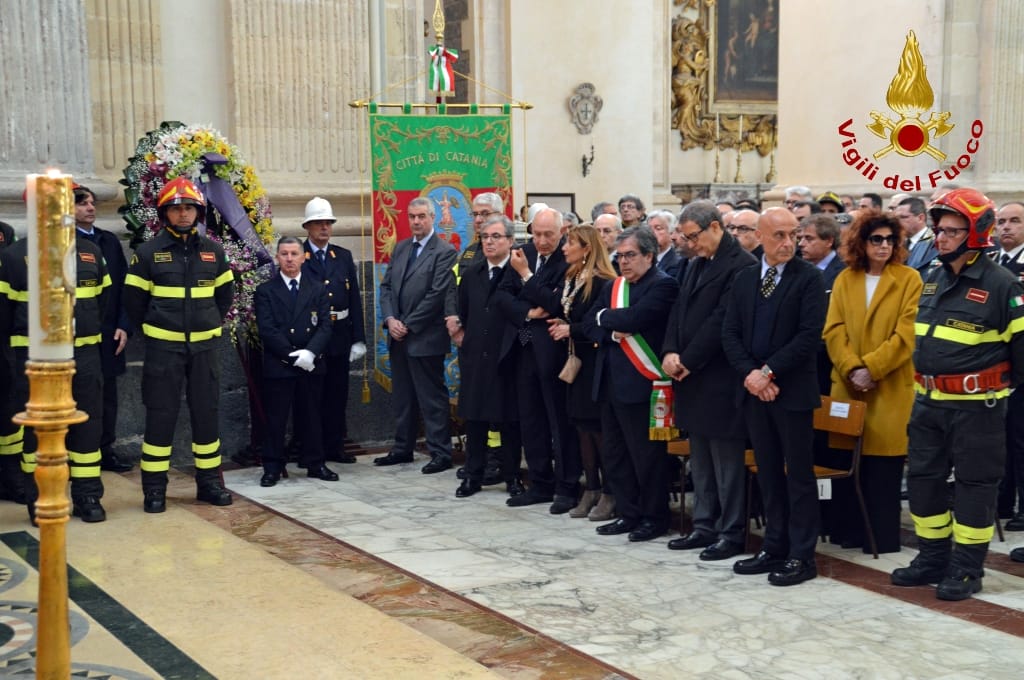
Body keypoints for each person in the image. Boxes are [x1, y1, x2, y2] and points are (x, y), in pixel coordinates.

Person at [891, 188, 1024, 601]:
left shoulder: (1003, 285)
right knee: (925, 482)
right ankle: (932, 556)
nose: (941, 237)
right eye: (939, 229)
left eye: (951, 230)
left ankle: (967, 568)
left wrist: (994, 389)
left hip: (977, 409)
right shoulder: (930, 277)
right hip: (927, 403)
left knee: (974, 486)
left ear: (976, 233)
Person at [722, 207, 827, 586]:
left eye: (793, 235)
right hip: (754, 393)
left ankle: (802, 555)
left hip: (791, 392)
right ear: (760, 237)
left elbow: (808, 337)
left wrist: (767, 372)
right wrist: (751, 374)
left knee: (798, 475)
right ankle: (774, 545)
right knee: (767, 473)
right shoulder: (747, 278)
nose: (788, 243)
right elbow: (730, 332)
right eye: (779, 235)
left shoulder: (809, 279)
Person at [123, 176, 235, 513]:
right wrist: (161, 328)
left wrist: (205, 325)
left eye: (189, 208)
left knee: (207, 415)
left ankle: (210, 483)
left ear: (198, 213)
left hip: (204, 351)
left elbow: (224, 298)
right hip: (163, 353)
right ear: (165, 213)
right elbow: (134, 304)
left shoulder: (214, 252)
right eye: (176, 208)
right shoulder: (146, 254)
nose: (183, 214)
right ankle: (154, 490)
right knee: (160, 417)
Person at [823, 211, 922, 554]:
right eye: (876, 239)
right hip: (848, 385)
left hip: (889, 386)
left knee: (883, 468)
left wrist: (871, 369)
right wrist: (852, 368)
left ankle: (880, 537)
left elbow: (906, 335)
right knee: (848, 463)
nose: (883, 246)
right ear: (860, 242)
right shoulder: (845, 279)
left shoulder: (909, 279)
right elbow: (833, 329)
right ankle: (847, 531)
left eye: (890, 239)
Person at [662, 201, 756, 559]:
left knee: (727, 463)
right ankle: (704, 525)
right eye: (684, 238)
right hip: (690, 377)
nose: (688, 244)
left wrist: (688, 359)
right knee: (699, 459)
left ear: (715, 227)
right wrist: (670, 351)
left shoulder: (741, 266)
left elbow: (722, 320)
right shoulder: (694, 263)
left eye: (693, 236)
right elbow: (679, 311)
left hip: (719, 377)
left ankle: (730, 532)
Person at [2, 231, 110, 522]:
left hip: (84, 357)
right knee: (38, 431)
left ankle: (87, 496)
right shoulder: (13, 256)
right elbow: (4, 313)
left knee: (88, 427)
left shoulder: (90, 252)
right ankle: (40, 499)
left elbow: (105, 301)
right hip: (38, 359)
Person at [585, 226, 679, 542]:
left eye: (630, 255)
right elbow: (589, 323)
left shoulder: (663, 285)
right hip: (609, 382)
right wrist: (608, 326)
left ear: (649, 256)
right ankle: (629, 513)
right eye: (619, 256)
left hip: (643, 384)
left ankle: (654, 517)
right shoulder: (614, 286)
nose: (623, 262)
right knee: (614, 454)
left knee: (646, 456)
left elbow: (637, 318)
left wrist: (606, 319)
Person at [498, 207, 579, 512]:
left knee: (559, 422)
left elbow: (556, 302)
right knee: (530, 419)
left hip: (553, 353)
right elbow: (502, 296)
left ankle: (567, 486)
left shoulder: (566, 258)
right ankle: (540, 483)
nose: (542, 241)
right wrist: (527, 311)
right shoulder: (524, 252)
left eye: (550, 235)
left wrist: (526, 277)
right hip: (522, 347)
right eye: (538, 233)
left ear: (562, 233)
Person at [374, 197, 458, 474]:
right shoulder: (401, 248)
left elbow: (437, 295)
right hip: (398, 336)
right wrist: (390, 320)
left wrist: (407, 324)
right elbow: (386, 288)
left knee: (431, 397)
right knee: (403, 397)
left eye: (421, 216)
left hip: (425, 336)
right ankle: (402, 448)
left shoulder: (444, 251)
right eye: (412, 216)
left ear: (433, 217)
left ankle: (440, 452)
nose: (416, 222)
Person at [547, 224, 618, 520]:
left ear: (587, 248)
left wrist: (570, 329)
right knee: (581, 428)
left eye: (571, 243)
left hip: (594, 363)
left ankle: (610, 492)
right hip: (574, 361)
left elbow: (598, 323)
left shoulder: (602, 281)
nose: (564, 248)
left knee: (598, 429)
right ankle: (591, 487)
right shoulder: (572, 277)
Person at [255, 236, 337, 487]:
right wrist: (293, 356)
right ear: (277, 258)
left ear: (303, 257)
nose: (289, 259)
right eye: (284, 254)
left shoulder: (317, 288)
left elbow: (325, 325)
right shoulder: (266, 291)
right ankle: (272, 466)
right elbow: (267, 329)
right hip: (280, 365)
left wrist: (310, 353)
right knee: (276, 418)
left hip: (311, 364)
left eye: (294, 254)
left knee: (312, 415)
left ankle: (315, 463)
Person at [452, 215, 522, 498]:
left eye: (496, 236)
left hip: (507, 357)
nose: (489, 242)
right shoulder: (472, 273)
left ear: (510, 240)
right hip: (476, 357)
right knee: (476, 419)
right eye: (485, 237)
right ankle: (473, 475)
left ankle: (512, 476)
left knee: (508, 421)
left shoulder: (518, 273)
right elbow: (465, 314)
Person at [299, 197, 365, 464]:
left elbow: (355, 299)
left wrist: (358, 338)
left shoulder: (343, 256)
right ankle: (309, 451)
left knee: (337, 395)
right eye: (318, 223)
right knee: (310, 397)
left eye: (328, 222)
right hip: (312, 337)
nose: (324, 228)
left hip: (339, 336)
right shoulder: (297, 255)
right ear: (308, 227)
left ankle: (334, 447)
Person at [73, 186, 134, 473]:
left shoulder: (107, 241)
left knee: (107, 395)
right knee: (77, 395)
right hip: (77, 334)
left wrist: (124, 325)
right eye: (82, 203)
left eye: (91, 202)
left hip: (109, 333)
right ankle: (75, 453)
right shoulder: (61, 241)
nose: (90, 207)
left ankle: (104, 449)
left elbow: (125, 287)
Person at [991, 202, 1024, 529]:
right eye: (1001, 222)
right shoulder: (996, 262)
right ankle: (1002, 502)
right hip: (997, 368)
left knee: (1020, 441)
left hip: (1021, 367)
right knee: (1002, 439)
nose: (1006, 228)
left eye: (1014, 221)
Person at [797, 214, 845, 291]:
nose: (801, 244)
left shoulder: (844, 271)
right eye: (800, 238)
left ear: (829, 241)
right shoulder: (797, 268)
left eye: (809, 238)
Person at [896, 197, 938, 275]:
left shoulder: (935, 242)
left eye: (903, 217)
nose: (897, 222)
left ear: (920, 218)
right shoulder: (899, 243)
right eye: (896, 218)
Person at [647, 209, 685, 282]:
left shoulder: (678, 263)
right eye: (648, 229)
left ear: (671, 233)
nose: (651, 232)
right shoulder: (641, 259)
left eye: (658, 228)